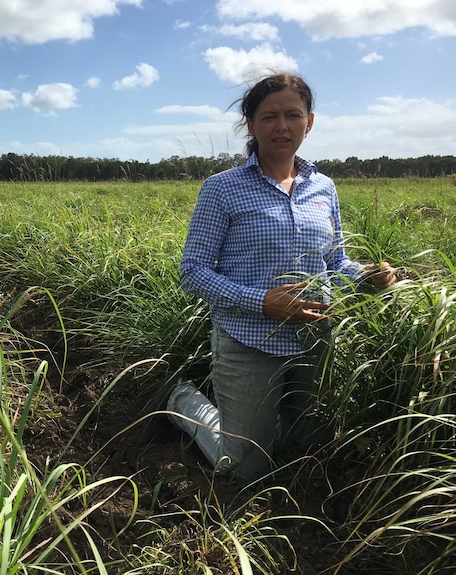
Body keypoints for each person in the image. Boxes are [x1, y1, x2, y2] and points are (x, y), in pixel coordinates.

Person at [169, 72, 396, 483]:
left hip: (314, 338)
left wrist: (369, 276)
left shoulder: (324, 187)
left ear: (309, 122)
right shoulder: (223, 189)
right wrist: (262, 302)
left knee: (305, 442)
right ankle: (182, 397)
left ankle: (256, 423)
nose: (282, 126)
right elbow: (193, 272)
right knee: (245, 467)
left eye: (293, 115)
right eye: (269, 116)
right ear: (251, 124)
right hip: (247, 339)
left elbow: (335, 263)